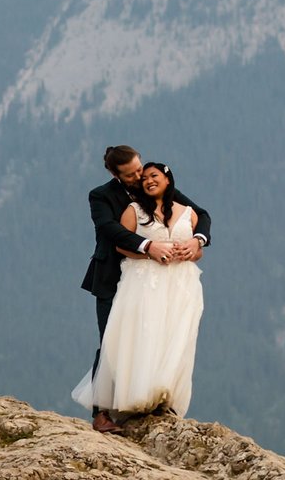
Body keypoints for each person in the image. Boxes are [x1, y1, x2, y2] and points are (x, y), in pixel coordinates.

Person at [73, 148, 211, 432]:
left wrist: (198, 239)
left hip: (159, 282)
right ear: (115, 174)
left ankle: (150, 399)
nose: (139, 177)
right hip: (113, 276)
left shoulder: (154, 183)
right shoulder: (101, 196)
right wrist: (148, 246)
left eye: (140, 169)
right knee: (112, 339)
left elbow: (201, 214)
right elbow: (109, 229)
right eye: (132, 174)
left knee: (156, 336)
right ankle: (101, 414)